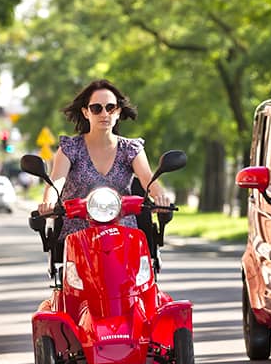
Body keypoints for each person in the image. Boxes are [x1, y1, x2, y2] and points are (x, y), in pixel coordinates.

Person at [37, 79, 171, 246]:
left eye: (110, 107)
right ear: (86, 112)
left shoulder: (131, 149)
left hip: (123, 235)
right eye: (96, 108)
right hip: (78, 236)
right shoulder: (69, 148)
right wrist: (48, 202)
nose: (104, 114)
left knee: (141, 263)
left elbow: (148, 179)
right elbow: (56, 181)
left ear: (118, 112)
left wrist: (161, 198)